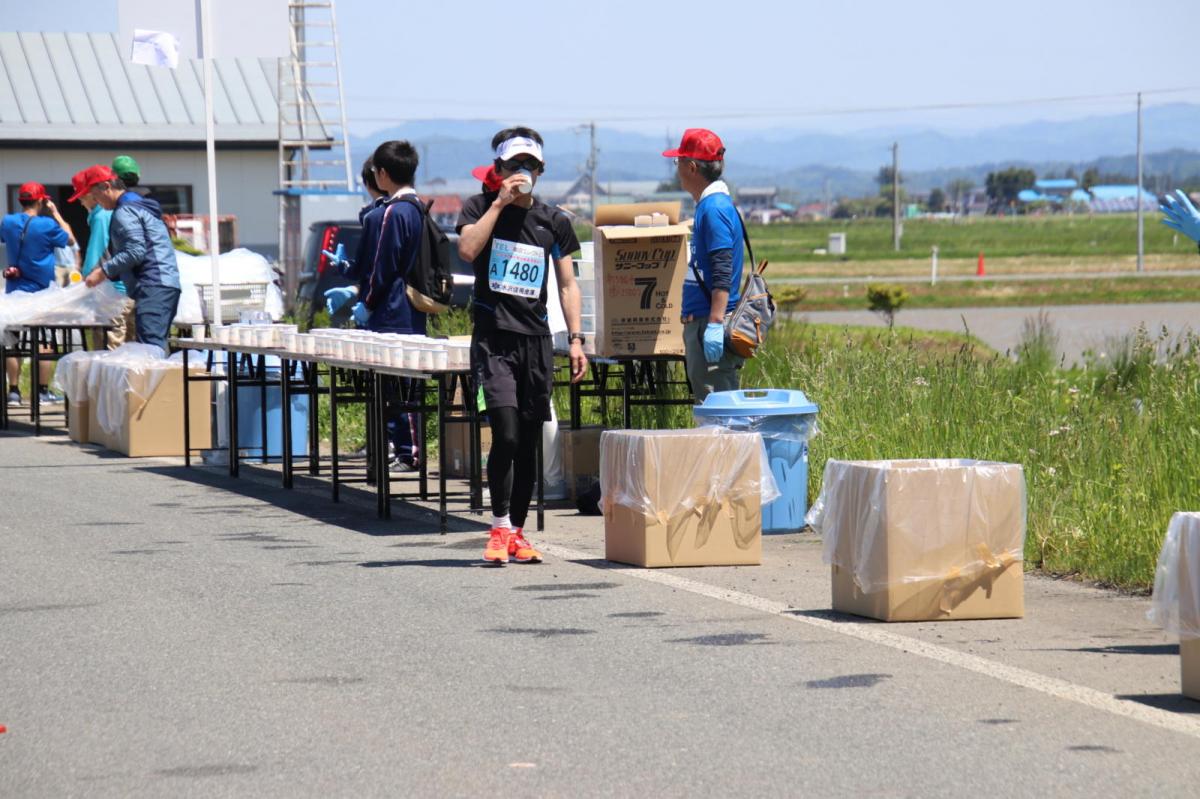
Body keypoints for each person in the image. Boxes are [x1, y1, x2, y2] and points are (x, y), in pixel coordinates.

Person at [457, 126, 588, 565]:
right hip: (493, 339)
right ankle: (497, 527)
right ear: (498, 168)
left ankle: (516, 532)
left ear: (541, 171)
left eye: (530, 165)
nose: (523, 172)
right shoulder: (479, 207)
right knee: (507, 433)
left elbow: (567, 284)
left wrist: (576, 339)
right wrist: (499, 203)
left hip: (536, 341)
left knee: (530, 439)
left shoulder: (554, 222)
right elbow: (467, 250)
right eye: (515, 164)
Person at [325, 143, 426, 472]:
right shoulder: (416, 208)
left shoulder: (394, 212)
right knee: (399, 384)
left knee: (399, 384)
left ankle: (409, 452)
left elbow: (383, 266)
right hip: (408, 309)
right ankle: (403, 449)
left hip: (393, 311)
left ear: (382, 174)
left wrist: (366, 302)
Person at [663, 128, 744, 402]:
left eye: (678, 161)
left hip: (708, 322)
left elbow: (722, 269)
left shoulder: (714, 209)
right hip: (702, 322)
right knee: (713, 407)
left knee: (719, 411)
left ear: (692, 167)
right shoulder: (710, 205)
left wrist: (715, 323)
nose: (677, 169)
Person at [78, 165, 181, 353]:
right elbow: (123, 250)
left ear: (106, 186)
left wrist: (103, 272)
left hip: (152, 283)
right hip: (163, 283)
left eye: (95, 195)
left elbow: (135, 251)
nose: (96, 201)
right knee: (152, 346)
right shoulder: (137, 206)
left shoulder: (125, 211)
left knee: (150, 350)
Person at [2, 182, 75, 406]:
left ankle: (14, 392)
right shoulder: (47, 224)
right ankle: (42, 392)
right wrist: (56, 213)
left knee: (12, 343)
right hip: (42, 294)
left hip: (14, 293)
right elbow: (70, 240)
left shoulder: (8, 222)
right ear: (42, 200)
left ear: (20, 200)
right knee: (45, 341)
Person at [69, 168, 134, 350]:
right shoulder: (117, 211)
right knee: (132, 347)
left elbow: (95, 255)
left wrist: (85, 281)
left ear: (93, 193)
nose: (81, 203)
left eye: (82, 198)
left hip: (111, 292)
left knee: (108, 348)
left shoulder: (100, 216)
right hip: (129, 288)